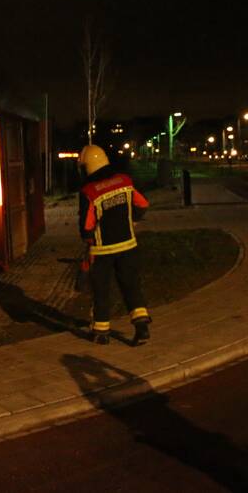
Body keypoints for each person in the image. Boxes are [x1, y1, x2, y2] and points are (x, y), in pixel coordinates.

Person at [77, 144, 152, 346]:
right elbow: (143, 204)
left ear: (88, 167)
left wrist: (87, 240)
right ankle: (142, 327)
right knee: (131, 286)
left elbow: (87, 225)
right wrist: (133, 219)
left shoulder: (89, 191)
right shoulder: (125, 180)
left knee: (101, 290)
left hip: (102, 251)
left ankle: (101, 333)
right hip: (129, 245)